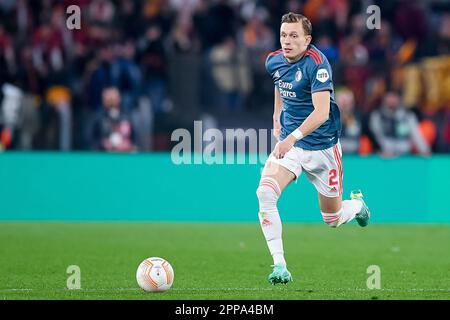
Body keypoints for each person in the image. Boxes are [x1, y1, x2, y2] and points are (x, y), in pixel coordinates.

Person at [258, 13, 370, 285]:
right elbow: (279, 84)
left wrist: (290, 138)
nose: (287, 41)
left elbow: (321, 113)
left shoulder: (318, 64)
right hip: (292, 145)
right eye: (284, 35)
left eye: (294, 36)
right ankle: (279, 266)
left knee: (331, 219)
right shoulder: (273, 59)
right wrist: (276, 116)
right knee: (265, 193)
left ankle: (356, 206)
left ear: (307, 39)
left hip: (322, 148)